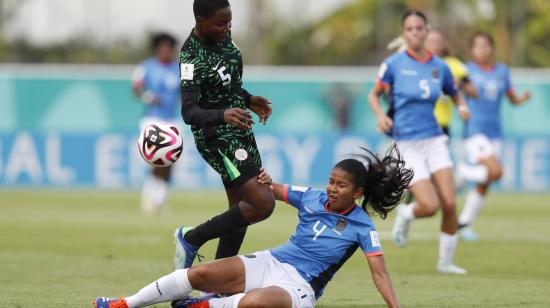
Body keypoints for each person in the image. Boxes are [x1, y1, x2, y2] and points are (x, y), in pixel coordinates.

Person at [94, 145, 413, 308]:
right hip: (273, 261)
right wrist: (261, 179)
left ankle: (205, 305)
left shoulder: (362, 226)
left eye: (341, 185)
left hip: (299, 288)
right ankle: (126, 303)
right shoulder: (312, 197)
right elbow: (274, 189)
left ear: (357, 192)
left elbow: (380, 272)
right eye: (331, 181)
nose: (332, 188)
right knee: (202, 275)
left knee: (255, 303)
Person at [368, 10, 471, 274]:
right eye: (410, 29)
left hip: (435, 139)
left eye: (419, 28)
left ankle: (445, 262)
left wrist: (461, 107)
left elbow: (454, 92)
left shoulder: (440, 66)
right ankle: (407, 214)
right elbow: (374, 94)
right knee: (430, 205)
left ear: (426, 32)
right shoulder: (393, 64)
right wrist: (381, 116)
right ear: (404, 33)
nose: (415, 32)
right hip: (408, 143)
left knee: (449, 204)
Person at [175, 0, 275, 269]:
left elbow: (227, 86)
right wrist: (223, 114)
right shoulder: (190, 58)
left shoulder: (223, 37)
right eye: (221, 23)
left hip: (240, 130)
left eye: (229, 21)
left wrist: (249, 98)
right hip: (216, 137)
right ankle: (191, 237)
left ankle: (217, 285)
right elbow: (189, 111)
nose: (227, 28)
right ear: (200, 20)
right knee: (262, 202)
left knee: (241, 210)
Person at [456, 31, 530, 241]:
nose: (483, 49)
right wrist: (461, 103)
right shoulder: (466, 70)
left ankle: (464, 224)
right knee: (496, 172)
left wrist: (521, 99)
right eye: (478, 46)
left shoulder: (502, 71)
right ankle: (462, 172)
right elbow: (454, 91)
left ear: (492, 48)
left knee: (486, 182)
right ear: (471, 50)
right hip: (474, 130)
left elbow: (511, 97)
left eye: (486, 45)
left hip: (495, 131)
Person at [132, 33, 181, 213]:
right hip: (153, 119)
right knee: (156, 158)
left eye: (169, 47)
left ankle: (160, 198)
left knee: (170, 161)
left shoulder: (178, 68)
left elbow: (185, 91)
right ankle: (149, 197)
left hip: (172, 119)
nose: (166, 50)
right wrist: (148, 96)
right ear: (157, 49)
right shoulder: (147, 67)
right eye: (163, 47)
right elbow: (136, 87)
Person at [425, 28, 479, 136]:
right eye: (431, 42)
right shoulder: (417, 64)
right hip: (418, 125)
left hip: (441, 126)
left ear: (444, 44)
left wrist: (457, 83)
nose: (434, 46)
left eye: (438, 42)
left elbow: (474, 93)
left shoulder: (453, 65)